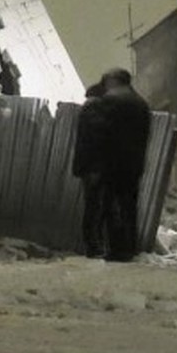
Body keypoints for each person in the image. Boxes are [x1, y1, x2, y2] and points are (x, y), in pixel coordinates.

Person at [94, 68, 152, 262]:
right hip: (134, 163)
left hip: (113, 162)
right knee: (129, 206)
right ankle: (131, 247)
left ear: (114, 81)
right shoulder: (141, 103)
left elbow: (102, 134)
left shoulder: (111, 101)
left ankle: (117, 249)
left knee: (111, 206)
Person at [72, 81, 109, 258]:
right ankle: (94, 246)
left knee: (94, 207)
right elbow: (94, 142)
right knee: (95, 208)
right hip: (94, 168)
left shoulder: (89, 110)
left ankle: (95, 245)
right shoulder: (94, 111)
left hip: (91, 167)